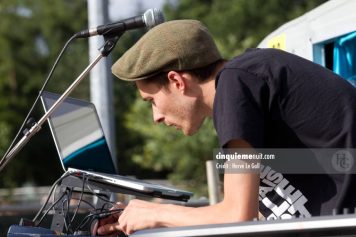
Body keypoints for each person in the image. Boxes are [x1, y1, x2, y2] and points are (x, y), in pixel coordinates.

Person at [97, 20, 356, 236]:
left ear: (176, 81)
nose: (156, 117)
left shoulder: (236, 83)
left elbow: (237, 215)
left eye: (152, 101)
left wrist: (155, 213)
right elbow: (255, 214)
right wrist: (144, 220)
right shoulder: (245, 80)